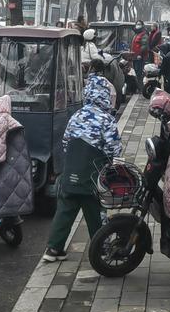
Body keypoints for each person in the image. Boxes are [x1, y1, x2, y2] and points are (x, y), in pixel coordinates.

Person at [42, 74, 122, 262]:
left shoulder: (76, 115)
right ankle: (101, 248)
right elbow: (114, 148)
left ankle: (53, 249)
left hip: (70, 172)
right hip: (92, 175)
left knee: (64, 211)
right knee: (95, 213)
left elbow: (65, 143)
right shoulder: (106, 119)